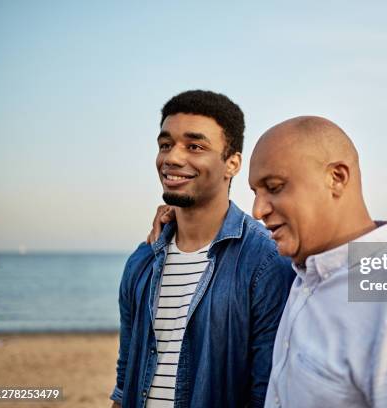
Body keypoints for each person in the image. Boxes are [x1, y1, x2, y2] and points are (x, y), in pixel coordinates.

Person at [150, 115, 387, 407]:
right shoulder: (301, 277)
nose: (259, 210)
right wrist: (180, 217)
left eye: (275, 187)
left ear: (336, 178)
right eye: (256, 193)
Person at [110, 90, 294, 408]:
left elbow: (265, 393)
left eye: (194, 146)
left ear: (232, 163)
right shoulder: (141, 261)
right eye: (165, 144)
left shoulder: (266, 261)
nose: (172, 158)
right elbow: (125, 381)